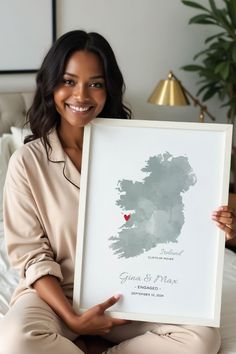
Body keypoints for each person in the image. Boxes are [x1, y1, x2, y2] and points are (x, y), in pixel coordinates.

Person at [0, 30, 235, 354]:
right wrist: (74, 318)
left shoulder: (140, 153)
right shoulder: (27, 163)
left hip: (130, 295)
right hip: (55, 298)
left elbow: (166, 224)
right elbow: (31, 256)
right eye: (69, 81)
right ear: (51, 85)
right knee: (14, 340)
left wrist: (213, 224)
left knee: (203, 339)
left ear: (107, 89)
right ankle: (79, 338)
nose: (81, 95)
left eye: (95, 83)